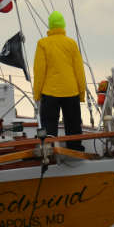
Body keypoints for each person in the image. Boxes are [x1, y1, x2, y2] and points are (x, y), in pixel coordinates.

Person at [32, 11, 87, 151]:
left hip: (50, 92)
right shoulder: (71, 43)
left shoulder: (42, 44)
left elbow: (39, 72)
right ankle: (75, 148)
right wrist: (81, 93)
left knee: (49, 123)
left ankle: (49, 148)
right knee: (73, 123)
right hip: (71, 91)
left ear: (50, 26)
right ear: (63, 25)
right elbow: (79, 70)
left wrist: (37, 94)